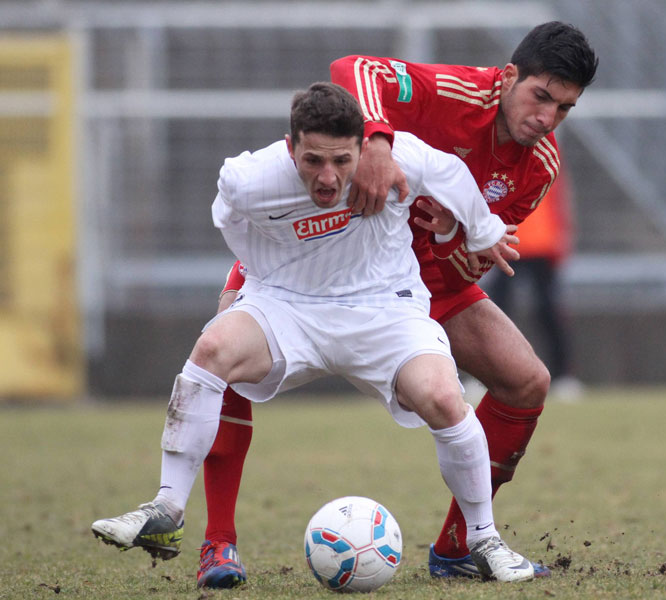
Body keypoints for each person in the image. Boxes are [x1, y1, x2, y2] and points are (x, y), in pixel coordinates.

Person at [197, 21, 598, 588]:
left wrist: (450, 235)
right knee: (225, 358)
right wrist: (379, 144)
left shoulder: (539, 166)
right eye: (541, 97)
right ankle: (219, 545)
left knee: (526, 379)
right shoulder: (456, 92)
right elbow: (351, 70)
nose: (548, 118)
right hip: (317, 256)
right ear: (509, 77)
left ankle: (460, 545)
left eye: (564, 108)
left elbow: (478, 263)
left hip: (414, 279)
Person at [91, 82, 536, 585]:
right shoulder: (248, 179)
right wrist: (255, 282)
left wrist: (483, 231)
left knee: (444, 397)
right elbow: (233, 225)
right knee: (212, 349)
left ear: (364, 145)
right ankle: (167, 509)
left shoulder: (396, 158)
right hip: (288, 308)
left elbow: (452, 172)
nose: (328, 178)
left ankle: (484, 538)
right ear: (290, 147)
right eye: (312, 161)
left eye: (342, 161)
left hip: (383, 310)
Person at [486, 166, 583, 400]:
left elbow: (561, 200)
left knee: (548, 312)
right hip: (506, 241)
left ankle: (562, 376)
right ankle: (489, 376)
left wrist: (563, 236)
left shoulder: (548, 159)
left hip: (540, 243)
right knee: (493, 312)